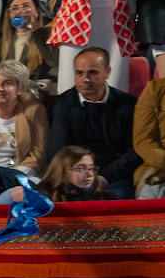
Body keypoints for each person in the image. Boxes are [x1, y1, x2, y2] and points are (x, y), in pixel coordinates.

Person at [46, 47, 139, 198]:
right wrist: (78, 177)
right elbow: (59, 149)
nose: (85, 79)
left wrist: (105, 177)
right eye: (79, 73)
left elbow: (134, 150)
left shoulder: (128, 103)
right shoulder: (62, 104)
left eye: (93, 73)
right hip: (73, 176)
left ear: (107, 72)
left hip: (115, 176)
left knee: (116, 198)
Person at [0, 0, 57, 95]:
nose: (20, 11)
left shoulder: (48, 34)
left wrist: (34, 29)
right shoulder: (1, 42)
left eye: (26, 6)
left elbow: (53, 63)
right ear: (9, 15)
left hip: (38, 95)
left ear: (37, 11)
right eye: (14, 8)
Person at [18, 145, 113, 203]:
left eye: (91, 168)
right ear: (62, 170)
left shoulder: (103, 197)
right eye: (80, 168)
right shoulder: (41, 197)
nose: (89, 174)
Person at [133, 76, 165, 196]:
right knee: (153, 189)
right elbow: (143, 140)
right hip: (158, 166)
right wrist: (163, 160)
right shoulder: (154, 90)